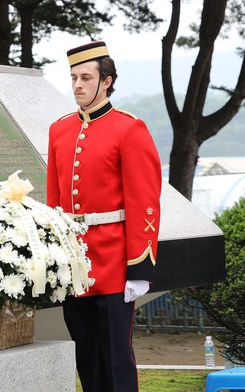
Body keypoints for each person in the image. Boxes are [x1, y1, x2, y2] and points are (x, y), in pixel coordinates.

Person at [46, 41, 162, 392]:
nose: (78, 85)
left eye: (86, 77)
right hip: (76, 266)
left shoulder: (129, 128)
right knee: (87, 358)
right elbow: (54, 201)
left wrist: (141, 268)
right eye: (73, 78)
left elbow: (145, 202)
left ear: (106, 81)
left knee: (116, 360)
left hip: (114, 264)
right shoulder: (59, 130)